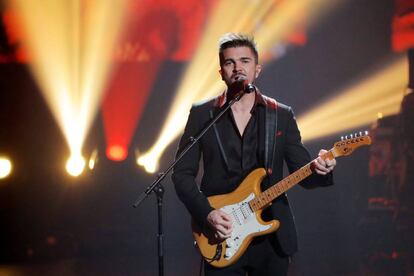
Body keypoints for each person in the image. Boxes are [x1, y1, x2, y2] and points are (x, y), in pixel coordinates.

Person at [172, 32, 336, 276]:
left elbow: (303, 172)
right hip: (221, 234)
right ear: (221, 72)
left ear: (257, 69)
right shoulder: (203, 114)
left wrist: (323, 168)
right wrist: (207, 214)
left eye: (245, 61)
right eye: (230, 62)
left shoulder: (280, 115)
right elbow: (182, 174)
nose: (238, 67)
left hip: (272, 236)